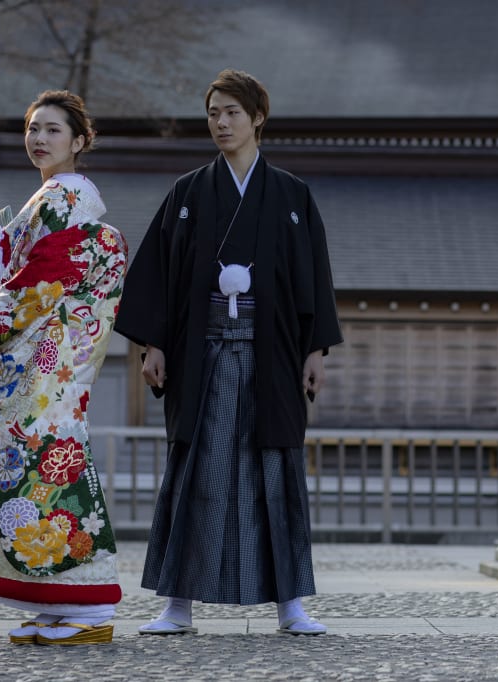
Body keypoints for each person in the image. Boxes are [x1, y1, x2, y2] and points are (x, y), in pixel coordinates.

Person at [114, 69, 342, 636]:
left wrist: (317, 349)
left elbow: (314, 276)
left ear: (258, 117)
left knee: (276, 472)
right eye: (213, 112)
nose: (221, 122)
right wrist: (153, 344)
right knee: (197, 473)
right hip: (203, 354)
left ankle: (291, 605)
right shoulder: (188, 193)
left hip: (274, 355)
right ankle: (177, 605)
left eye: (232, 113)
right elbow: (159, 276)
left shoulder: (292, 195)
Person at [0, 90, 128, 646]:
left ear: (80, 141)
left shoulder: (65, 200)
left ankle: (88, 606)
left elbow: (49, 271)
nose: (39, 139)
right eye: (33, 129)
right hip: (46, 357)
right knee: (30, 465)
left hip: (49, 358)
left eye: (54, 130)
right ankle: (53, 601)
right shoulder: (49, 197)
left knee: (48, 460)